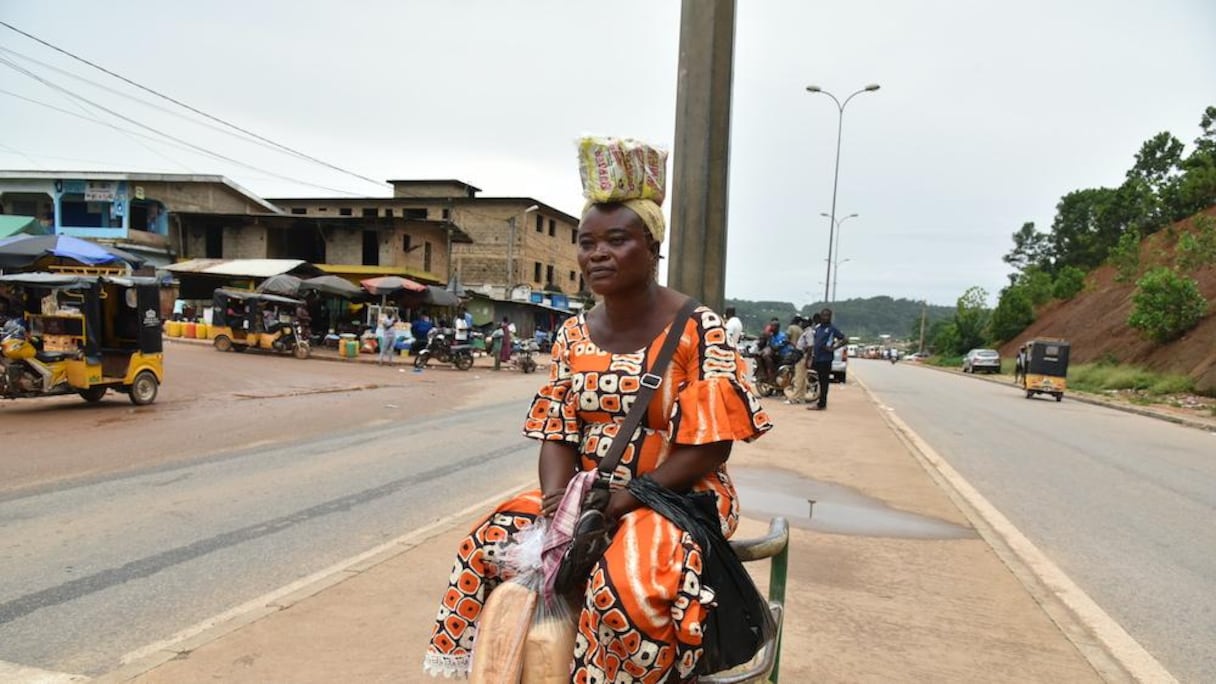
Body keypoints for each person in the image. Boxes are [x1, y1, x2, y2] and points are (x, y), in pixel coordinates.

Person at [424, 178, 772, 682]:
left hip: (677, 494)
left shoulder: (699, 328)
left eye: (617, 240)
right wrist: (554, 501)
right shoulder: (571, 333)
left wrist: (626, 499)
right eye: (587, 243)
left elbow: (710, 448)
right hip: (585, 496)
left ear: (653, 248)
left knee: (625, 584)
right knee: (488, 544)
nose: (597, 255)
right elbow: (558, 430)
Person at [808, 307, 846, 411]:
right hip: (817, 358)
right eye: (824, 315)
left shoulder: (832, 329)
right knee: (815, 380)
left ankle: (822, 404)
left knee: (824, 382)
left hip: (826, 359)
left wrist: (833, 348)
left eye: (827, 315)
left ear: (830, 317)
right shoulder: (818, 328)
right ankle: (816, 399)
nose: (826, 317)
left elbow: (844, 339)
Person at [792, 312, 821, 404]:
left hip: (802, 357)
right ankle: (801, 397)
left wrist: (807, 359)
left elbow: (810, 346)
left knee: (799, 378)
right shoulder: (806, 332)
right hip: (802, 356)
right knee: (802, 379)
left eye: (804, 322)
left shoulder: (808, 332)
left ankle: (795, 398)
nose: (802, 323)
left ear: (808, 323)